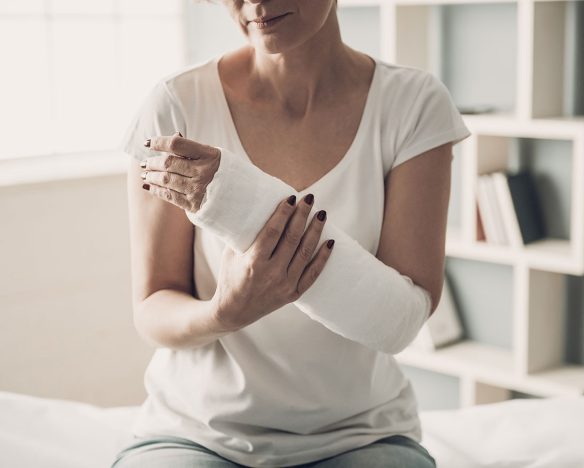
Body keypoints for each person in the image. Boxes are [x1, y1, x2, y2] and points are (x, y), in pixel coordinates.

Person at [111, 0, 470, 466]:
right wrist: (224, 313)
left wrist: (238, 200)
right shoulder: (176, 105)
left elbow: (402, 318)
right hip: (196, 431)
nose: (255, 4)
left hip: (360, 435)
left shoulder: (413, 104)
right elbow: (153, 307)